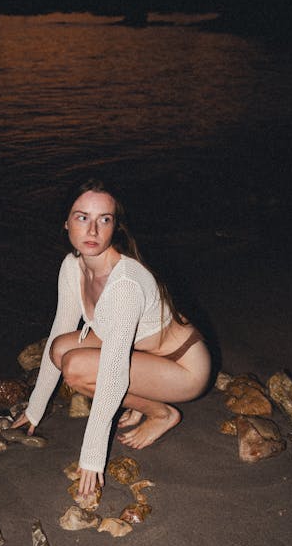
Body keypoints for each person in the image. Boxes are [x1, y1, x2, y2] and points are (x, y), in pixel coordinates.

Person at [12, 178, 211, 496]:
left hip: (185, 366)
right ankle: (150, 398)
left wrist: (92, 456)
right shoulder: (73, 265)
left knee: (77, 368)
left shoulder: (125, 283)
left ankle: (161, 412)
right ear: (66, 223)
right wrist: (35, 408)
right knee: (61, 348)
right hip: (148, 356)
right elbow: (59, 333)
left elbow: (114, 373)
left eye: (103, 219)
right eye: (82, 217)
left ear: (114, 226)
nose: (92, 231)